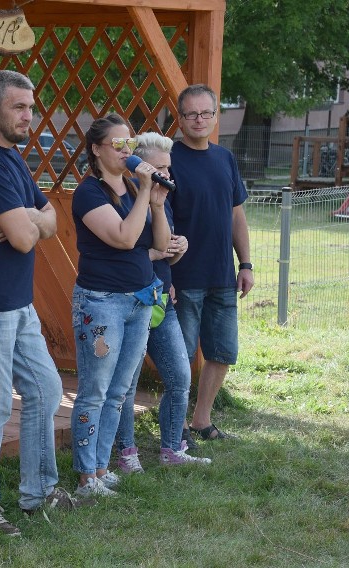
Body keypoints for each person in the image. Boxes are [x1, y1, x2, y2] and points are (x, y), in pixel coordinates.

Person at [0, 70, 76, 537]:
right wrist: (28, 222)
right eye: (19, 108)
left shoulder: (13, 159)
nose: (30, 115)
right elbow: (28, 238)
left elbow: (50, 220)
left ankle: (38, 492)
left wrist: (24, 218)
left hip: (18, 304)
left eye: (31, 106)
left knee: (45, 389)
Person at [70, 114, 172, 497]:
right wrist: (145, 189)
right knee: (95, 391)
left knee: (120, 391)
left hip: (139, 299)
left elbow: (160, 246)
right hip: (102, 303)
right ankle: (85, 477)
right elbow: (125, 238)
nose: (125, 151)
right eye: (116, 144)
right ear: (96, 150)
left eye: (128, 144)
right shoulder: (89, 193)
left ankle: (100, 467)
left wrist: (157, 204)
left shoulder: (134, 189)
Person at [113, 132, 212, 471]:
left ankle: (172, 449)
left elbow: (162, 252)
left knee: (180, 377)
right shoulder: (121, 197)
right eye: (159, 169)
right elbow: (122, 249)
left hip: (161, 300)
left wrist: (177, 248)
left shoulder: (162, 196)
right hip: (130, 302)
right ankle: (126, 453)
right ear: (137, 167)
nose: (167, 176)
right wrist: (157, 252)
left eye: (168, 168)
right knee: (126, 384)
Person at [169, 83, 254, 443]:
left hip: (222, 275)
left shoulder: (225, 158)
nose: (199, 119)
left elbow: (237, 215)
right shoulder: (168, 159)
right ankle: (174, 429)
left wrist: (246, 263)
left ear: (216, 116)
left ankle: (201, 420)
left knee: (222, 351)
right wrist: (163, 274)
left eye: (206, 113)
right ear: (180, 117)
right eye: (191, 113)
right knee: (180, 359)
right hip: (183, 277)